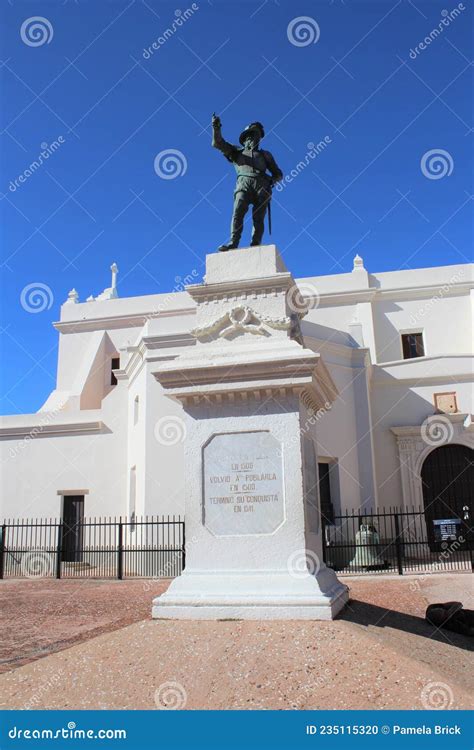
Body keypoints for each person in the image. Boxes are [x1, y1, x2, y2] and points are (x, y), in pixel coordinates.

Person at [211, 114, 283, 252]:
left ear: (259, 139)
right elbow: (217, 143)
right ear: (244, 140)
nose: (252, 138)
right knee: (238, 212)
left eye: (255, 136)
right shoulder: (236, 152)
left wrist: (271, 180)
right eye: (249, 136)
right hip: (243, 184)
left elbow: (278, 174)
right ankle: (233, 241)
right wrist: (216, 127)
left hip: (262, 186)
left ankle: (255, 244)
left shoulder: (265, 155)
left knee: (258, 217)